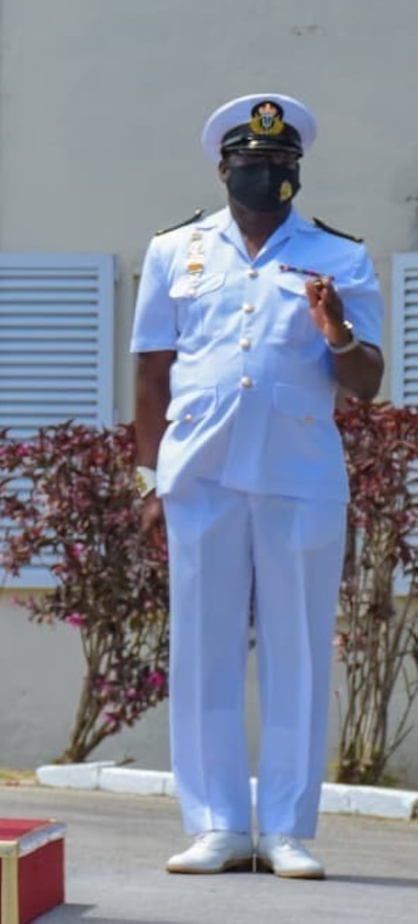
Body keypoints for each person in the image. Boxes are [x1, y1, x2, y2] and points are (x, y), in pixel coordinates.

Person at [131, 94, 383, 879]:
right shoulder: (175, 250)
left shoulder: (339, 257)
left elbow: (366, 382)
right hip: (199, 473)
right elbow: (149, 369)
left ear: (295, 172)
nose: (265, 176)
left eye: (280, 166)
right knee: (201, 648)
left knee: (295, 654)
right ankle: (214, 825)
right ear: (223, 168)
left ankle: (283, 829)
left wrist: (335, 330)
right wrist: (147, 476)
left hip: (297, 476)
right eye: (251, 164)